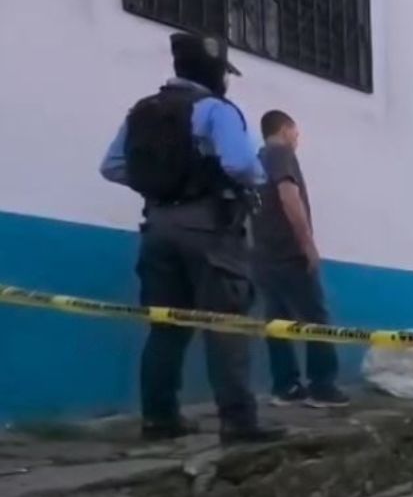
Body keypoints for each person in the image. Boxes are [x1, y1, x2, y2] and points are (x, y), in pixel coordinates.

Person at [99, 32, 284, 444]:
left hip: (158, 226)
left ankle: (159, 419)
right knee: (226, 325)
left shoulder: (142, 112)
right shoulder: (216, 110)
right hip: (210, 228)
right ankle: (238, 422)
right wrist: (250, 175)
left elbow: (111, 167)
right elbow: (240, 165)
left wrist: (164, 185)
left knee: (166, 327)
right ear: (217, 74)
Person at [251, 110, 349, 408]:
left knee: (277, 322)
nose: (297, 139)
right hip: (289, 252)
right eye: (296, 132)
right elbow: (288, 197)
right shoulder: (280, 154)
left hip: (263, 255)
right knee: (316, 318)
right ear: (285, 129)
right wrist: (307, 244)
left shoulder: (257, 159)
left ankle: (286, 386)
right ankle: (322, 386)